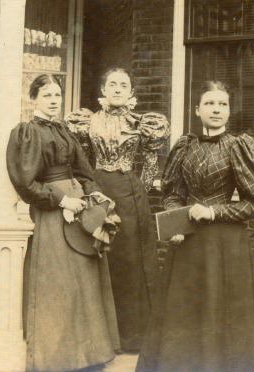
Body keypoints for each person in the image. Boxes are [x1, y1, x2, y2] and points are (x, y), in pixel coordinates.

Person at [136, 80, 254, 372]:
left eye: (222, 104)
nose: (216, 109)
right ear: (197, 109)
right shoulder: (185, 146)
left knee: (220, 313)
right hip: (188, 243)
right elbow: (172, 193)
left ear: (229, 110)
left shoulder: (238, 147)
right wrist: (175, 222)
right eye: (210, 103)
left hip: (225, 245)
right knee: (183, 313)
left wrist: (213, 211)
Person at [6, 74, 119, 371]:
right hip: (52, 212)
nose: (54, 100)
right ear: (34, 99)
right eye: (47, 95)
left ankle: (88, 356)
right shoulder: (27, 133)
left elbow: (84, 170)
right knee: (58, 285)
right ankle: (57, 359)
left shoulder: (66, 131)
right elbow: (25, 183)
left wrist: (93, 194)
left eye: (57, 95)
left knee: (84, 282)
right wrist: (61, 200)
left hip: (79, 209)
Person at [65, 67, 170, 352]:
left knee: (133, 259)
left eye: (124, 85)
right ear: (103, 91)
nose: (118, 89)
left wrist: (140, 191)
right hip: (100, 189)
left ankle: (134, 335)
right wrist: (90, 191)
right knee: (103, 256)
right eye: (112, 84)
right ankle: (103, 336)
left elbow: (150, 163)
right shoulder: (87, 122)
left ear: (132, 92)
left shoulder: (142, 124)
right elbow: (83, 162)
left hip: (131, 194)